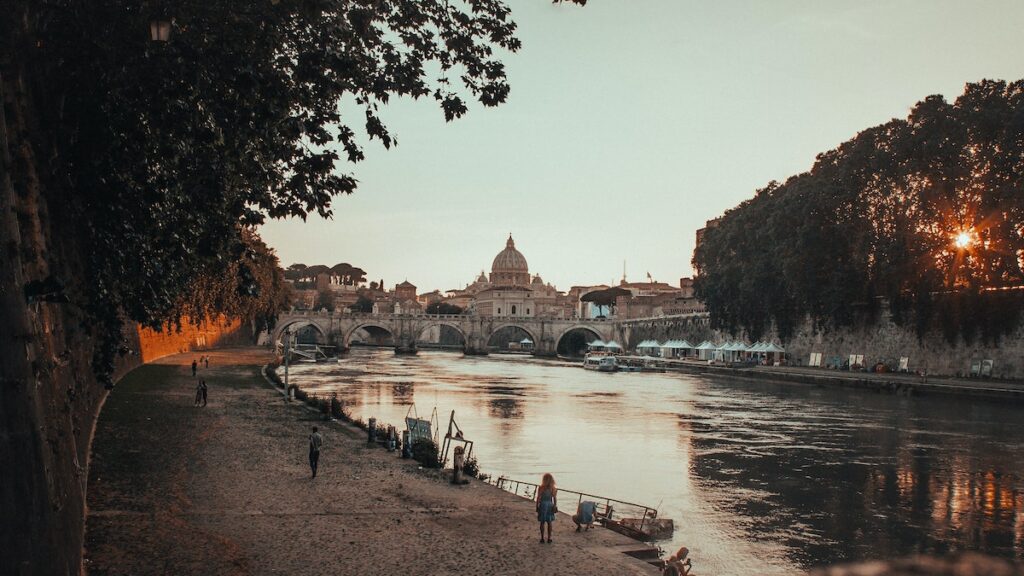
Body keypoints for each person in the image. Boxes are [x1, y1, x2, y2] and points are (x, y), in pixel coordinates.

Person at [535, 473, 557, 543]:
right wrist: (554, 505)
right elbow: (555, 498)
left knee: (542, 522)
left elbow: (538, 497)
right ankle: (549, 538)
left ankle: (542, 538)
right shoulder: (553, 488)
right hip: (550, 505)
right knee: (549, 522)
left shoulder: (541, 487)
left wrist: (537, 506)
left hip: (543, 505)